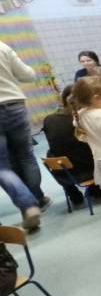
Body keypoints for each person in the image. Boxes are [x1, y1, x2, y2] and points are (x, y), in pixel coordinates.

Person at [0, 41, 49, 230]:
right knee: (26, 156)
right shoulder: (2, 47)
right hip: (14, 105)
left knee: (2, 166)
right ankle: (38, 199)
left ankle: (28, 205)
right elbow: (28, 75)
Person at [42, 84, 101, 206]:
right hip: (90, 170)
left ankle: (74, 195)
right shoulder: (85, 118)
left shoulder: (49, 120)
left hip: (64, 173)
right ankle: (94, 189)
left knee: (52, 153)